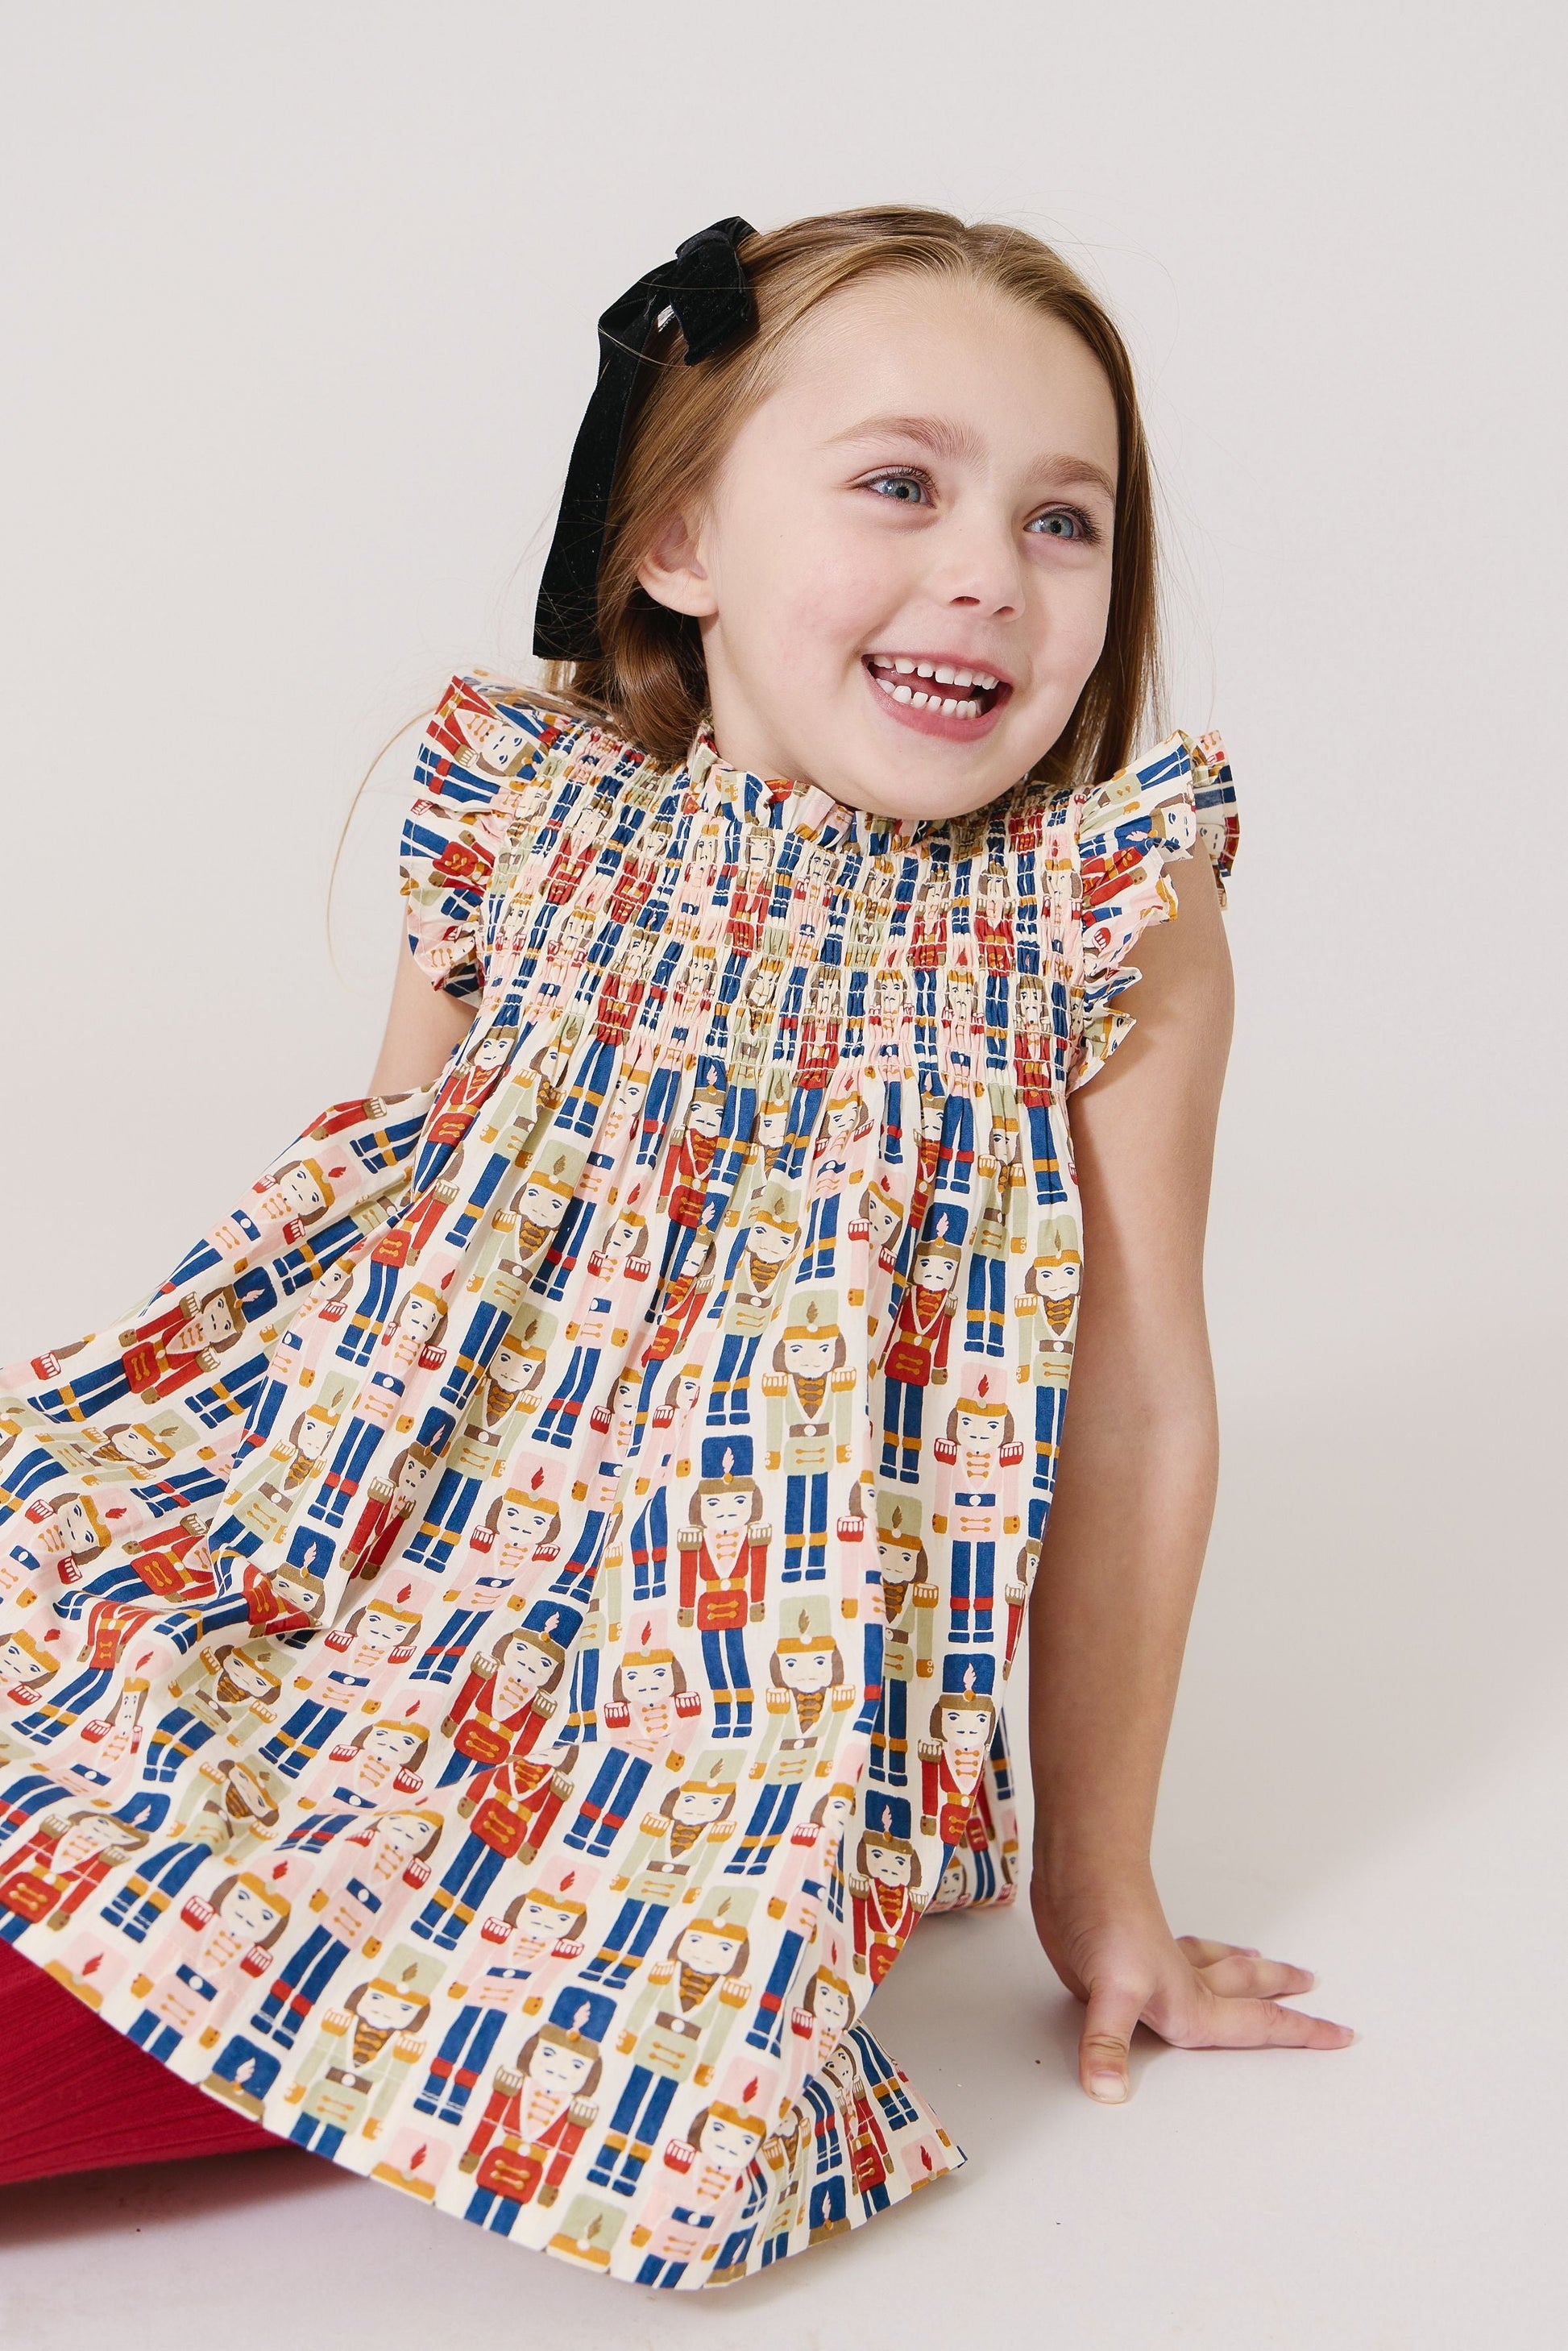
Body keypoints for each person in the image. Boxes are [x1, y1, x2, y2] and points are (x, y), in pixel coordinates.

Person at [0, 205, 1351, 2287]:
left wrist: (1105, 1894)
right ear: (677, 542)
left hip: (658, 1703)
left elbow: (1139, 1401)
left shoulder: (1091, 924)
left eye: (1063, 519)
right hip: (336, 1536)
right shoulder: (526, 808)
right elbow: (368, 1194)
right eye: (899, 483)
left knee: (210, 1978)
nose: (989, 570)